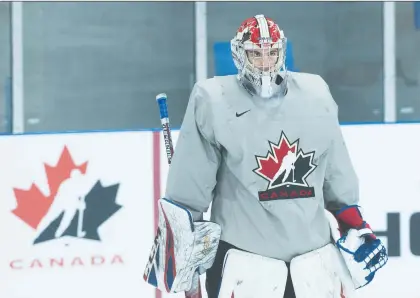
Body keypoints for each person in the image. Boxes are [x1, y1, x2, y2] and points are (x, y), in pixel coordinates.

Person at [144, 14, 387, 298]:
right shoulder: (213, 100)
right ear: (239, 54)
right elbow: (188, 193)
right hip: (245, 271)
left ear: (282, 51)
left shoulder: (315, 95)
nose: (265, 61)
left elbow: (337, 177)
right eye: (255, 53)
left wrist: (358, 228)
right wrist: (184, 259)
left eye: (271, 52)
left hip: (316, 270)